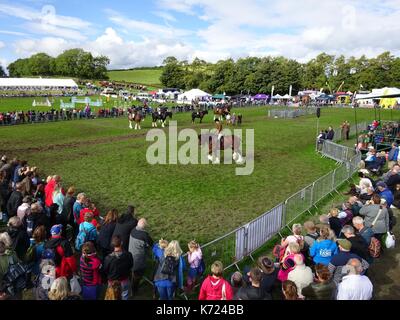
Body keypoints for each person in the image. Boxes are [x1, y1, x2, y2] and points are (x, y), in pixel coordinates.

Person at [102, 235, 133, 301]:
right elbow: (131, 265)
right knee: (125, 296)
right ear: (121, 243)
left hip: (112, 282)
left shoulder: (108, 258)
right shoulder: (128, 255)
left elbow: (105, 270)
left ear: (112, 244)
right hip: (124, 280)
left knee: (112, 297)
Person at [128, 217, 153, 294]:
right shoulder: (144, 235)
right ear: (144, 227)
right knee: (137, 275)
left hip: (130, 256)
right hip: (138, 260)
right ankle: (134, 290)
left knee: (131, 273)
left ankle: (130, 285)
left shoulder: (133, 230)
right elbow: (151, 243)